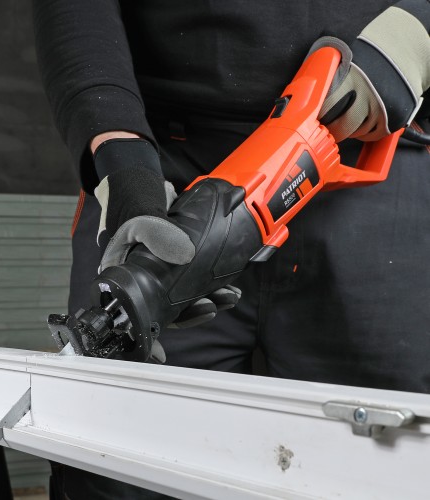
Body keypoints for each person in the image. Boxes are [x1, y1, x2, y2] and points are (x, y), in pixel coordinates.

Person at [33, 1, 430, 498]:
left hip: (373, 141)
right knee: (115, 471)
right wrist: (123, 163)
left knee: (379, 469)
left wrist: (415, 34)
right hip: (161, 182)